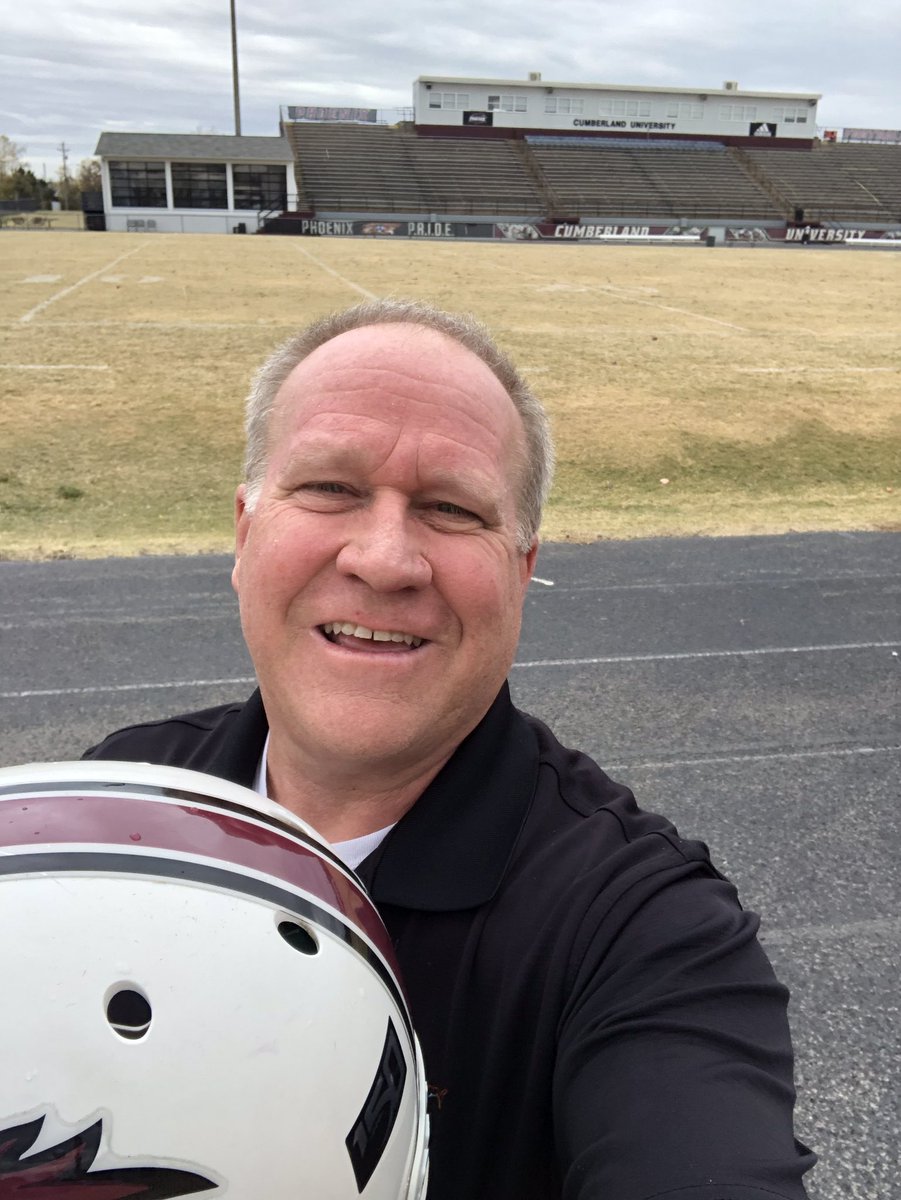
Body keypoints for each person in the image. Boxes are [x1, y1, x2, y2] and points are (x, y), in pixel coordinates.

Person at [85, 298, 815, 1200]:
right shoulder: (113, 805)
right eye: (330, 488)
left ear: (519, 570)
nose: (386, 558)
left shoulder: (639, 929)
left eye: (451, 507)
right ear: (244, 533)